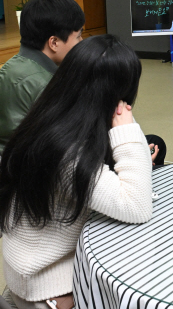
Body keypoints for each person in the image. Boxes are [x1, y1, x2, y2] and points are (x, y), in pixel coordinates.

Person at [0, 35, 153, 308]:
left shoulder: (56, 115)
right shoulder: (64, 149)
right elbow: (137, 205)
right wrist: (127, 130)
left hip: (42, 269)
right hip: (48, 288)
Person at [0, 0, 84, 154]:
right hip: (26, 166)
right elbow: (68, 142)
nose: (81, 42)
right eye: (78, 36)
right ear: (54, 43)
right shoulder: (46, 85)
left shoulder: (13, 65)